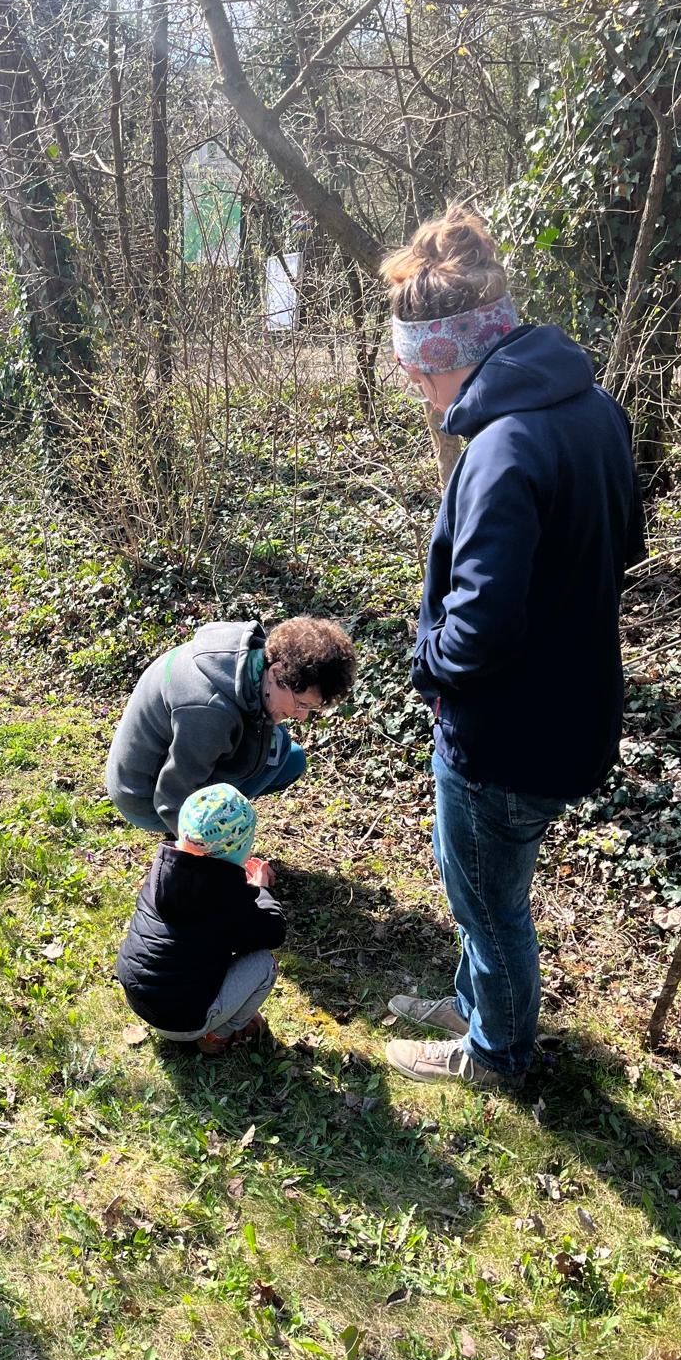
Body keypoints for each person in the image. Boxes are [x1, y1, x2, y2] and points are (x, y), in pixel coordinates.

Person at [381, 206, 643, 1089]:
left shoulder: (500, 448)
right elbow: (625, 547)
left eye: (417, 374)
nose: (420, 393)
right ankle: (476, 1003)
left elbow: (480, 629)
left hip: (503, 737)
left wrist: (429, 668)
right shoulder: (593, 408)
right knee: (488, 887)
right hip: (573, 708)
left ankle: (496, 1052)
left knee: (488, 901)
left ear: (444, 357)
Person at [105, 616, 356, 839]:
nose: (301, 716)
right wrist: (219, 858)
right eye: (301, 704)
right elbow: (170, 799)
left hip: (173, 767)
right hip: (142, 796)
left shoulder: (250, 659)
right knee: (274, 756)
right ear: (277, 673)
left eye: (310, 708)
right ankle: (206, 829)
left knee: (290, 757)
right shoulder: (209, 710)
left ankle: (219, 815)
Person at [115, 784, 285, 1053]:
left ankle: (199, 1020)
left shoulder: (163, 868)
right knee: (264, 965)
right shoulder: (226, 897)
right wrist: (260, 889)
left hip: (140, 998)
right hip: (182, 1021)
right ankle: (218, 1035)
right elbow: (274, 931)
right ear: (239, 849)